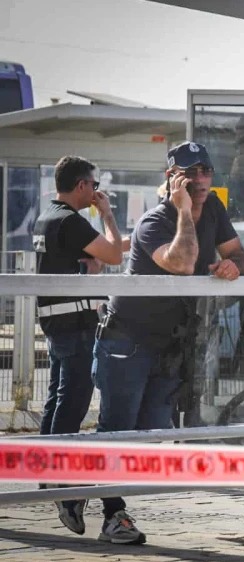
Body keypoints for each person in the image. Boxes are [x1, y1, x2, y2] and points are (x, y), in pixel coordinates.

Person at [92, 141, 244, 544]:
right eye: (189, 172)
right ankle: (112, 514)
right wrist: (182, 210)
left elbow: (240, 254)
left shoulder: (213, 208)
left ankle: (81, 484)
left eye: (205, 171)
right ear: (172, 179)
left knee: (150, 431)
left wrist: (232, 265)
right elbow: (181, 263)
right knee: (118, 428)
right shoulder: (156, 221)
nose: (200, 179)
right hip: (127, 340)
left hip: (168, 343)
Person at [34, 156, 124, 536]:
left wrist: (90, 264)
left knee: (57, 398)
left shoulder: (47, 217)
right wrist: (108, 215)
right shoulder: (71, 220)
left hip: (57, 322)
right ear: (82, 185)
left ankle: (45, 473)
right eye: (94, 185)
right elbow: (114, 254)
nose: (96, 192)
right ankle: (64, 487)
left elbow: (92, 257)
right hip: (74, 324)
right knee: (73, 402)